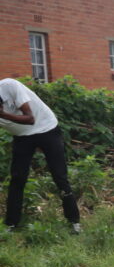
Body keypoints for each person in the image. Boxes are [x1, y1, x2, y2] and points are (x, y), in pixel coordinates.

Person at [1, 77, 81, 233]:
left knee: (59, 175)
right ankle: (11, 224)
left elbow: (30, 118)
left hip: (47, 128)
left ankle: (74, 222)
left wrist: (3, 115)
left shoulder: (9, 86)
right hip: (22, 137)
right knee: (17, 178)